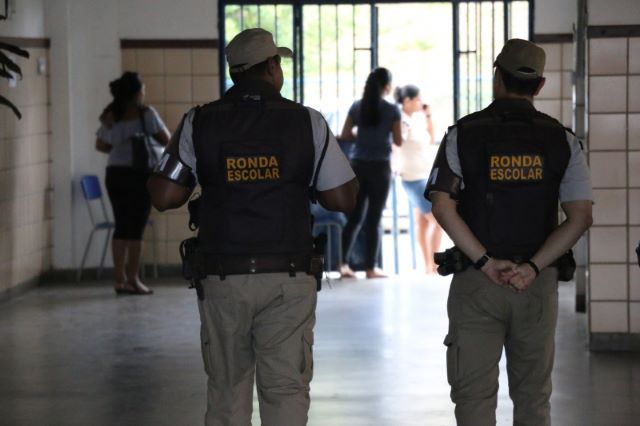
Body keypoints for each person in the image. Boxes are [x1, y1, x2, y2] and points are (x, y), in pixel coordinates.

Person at [146, 28, 358, 426]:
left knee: (227, 390)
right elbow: (342, 199)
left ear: (235, 73)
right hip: (289, 277)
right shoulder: (306, 122)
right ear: (273, 67)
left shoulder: (200, 122)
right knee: (286, 392)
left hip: (224, 278)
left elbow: (163, 195)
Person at [426, 39, 593, 425]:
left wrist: (485, 262)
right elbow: (581, 216)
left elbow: (442, 205)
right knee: (534, 399)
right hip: (535, 285)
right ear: (539, 86)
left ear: (497, 77)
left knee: (473, 398)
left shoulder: (462, 134)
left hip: (477, 283)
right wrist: (533, 268)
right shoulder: (563, 140)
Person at [95, 71, 170, 295]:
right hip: (140, 175)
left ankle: (119, 280)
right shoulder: (146, 113)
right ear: (138, 93)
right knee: (136, 229)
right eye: (143, 90)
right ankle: (134, 280)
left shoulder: (111, 114)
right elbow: (167, 139)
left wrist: (120, 145)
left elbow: (100, 145)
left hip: (115, 174)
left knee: (121, 226)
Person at [339, 67, 402, 279]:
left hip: (357, 166)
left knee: (354, 218)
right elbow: (399, 140)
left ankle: (342, 265)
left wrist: (362, 137)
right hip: (380, 168)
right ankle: (370, 268)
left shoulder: (357, 107)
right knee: (374, 218)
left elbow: (345, 133)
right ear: (387, 86)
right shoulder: (392, 110)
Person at [393, 84, 442, 273]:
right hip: (414, 178)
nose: (421, 102)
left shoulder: (414, 120)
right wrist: (395, 164)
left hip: (423, 175)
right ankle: (433, 265)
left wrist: (428, 115)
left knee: (422, 222)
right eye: (418, 99)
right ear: (407, 101)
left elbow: (431, 138)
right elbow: (396, 144)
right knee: (437, 222)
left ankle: (428, 265)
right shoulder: (402, 121)